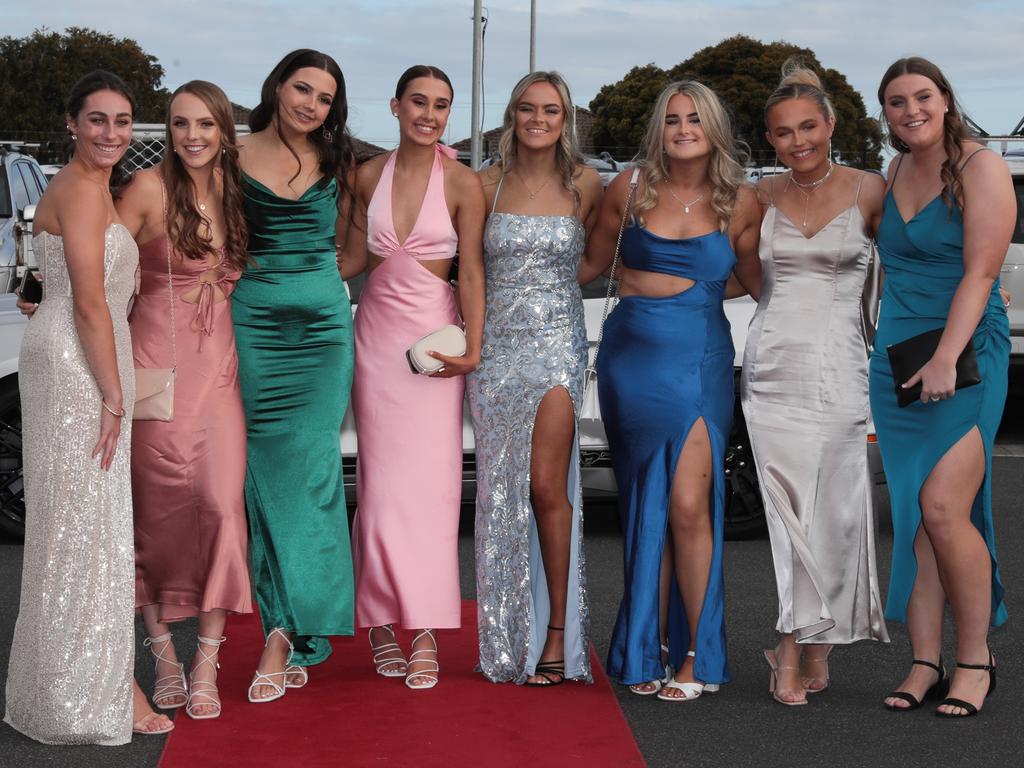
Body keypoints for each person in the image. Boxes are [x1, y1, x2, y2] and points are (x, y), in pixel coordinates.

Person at [4, 70, 173, 743]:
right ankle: (101, 689)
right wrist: (110, 394)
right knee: (85, 529)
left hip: (78, 355)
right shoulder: (76, 189)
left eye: (123, 120)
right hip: (80, 365)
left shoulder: (92, 187)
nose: (111, 133)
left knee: (78, 528)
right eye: (97, 119)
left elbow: (60, 281)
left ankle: (76, 681)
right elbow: (88, 302)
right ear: (71, 123)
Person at [582, 81, 760, 701]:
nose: (683, 128)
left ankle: (697, 654)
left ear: (713, 126)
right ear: (659, 127)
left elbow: (757, 280)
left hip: (698, 361)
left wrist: (694, 298)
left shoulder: (740, 200)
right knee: (643, 506)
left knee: (688, 505)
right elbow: (589, 265)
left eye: (695, 118)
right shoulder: (628, 186)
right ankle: (644, 648)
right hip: (630, 361)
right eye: (673, 119)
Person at [739, 61, 890, 707]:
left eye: (807, 127)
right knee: (785, 513)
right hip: (772, 369)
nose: (797, 141)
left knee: (833, 511)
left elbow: (903, 271)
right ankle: (794, 647)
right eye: (782, 133)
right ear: (769, 139)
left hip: (843, 369)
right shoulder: (758, 197)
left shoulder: (871, 189)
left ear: (831, 125)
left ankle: (809, 640)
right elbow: (740, 274)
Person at [871, 57, 1013, 717]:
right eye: (897, 103)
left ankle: (976, 661)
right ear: (886, 115)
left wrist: (947, 359)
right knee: (915, 519)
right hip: (897, 358)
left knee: (943, 510)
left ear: (946, 99)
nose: (912, 111)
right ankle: (924, 661)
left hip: (964, 357)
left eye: (922, 97)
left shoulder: (981, 166)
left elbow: (982, 273)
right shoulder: (893, 171)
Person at [343, 65, 485, 690]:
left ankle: (425, 629)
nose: (430, 114)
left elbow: (472, 271)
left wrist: (474, 348)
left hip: (435, 350)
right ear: (396, 106)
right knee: (376, 490)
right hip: (374, 344)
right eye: (419, 103)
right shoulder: (364, 176)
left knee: (431, 495)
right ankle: (377, 621)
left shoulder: (462, 182)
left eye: (442, 106)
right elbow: (347, 260)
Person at [115, 80, 252, 720]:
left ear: (225, 130)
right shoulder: (146, 191)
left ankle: (207, 661)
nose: (192, 137)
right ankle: (165, 653)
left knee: (223, 506)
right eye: (178, 125)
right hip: (154, 368)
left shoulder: (238, 193)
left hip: (219, 373)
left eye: (204, 125)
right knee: (157, 512)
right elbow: (100, 267)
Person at [468, 71, 603, 685]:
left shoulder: (586, 185)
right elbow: (463, 269)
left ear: (566, 118)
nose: (539, 119)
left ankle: (555, 634)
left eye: (552, 110)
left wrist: (547, 301)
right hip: (495, 353)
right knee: (498, 495)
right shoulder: (483, 185)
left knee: (547, 487)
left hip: (556, 350)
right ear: (512, 114)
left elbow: (596, 262)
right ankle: (504, 636)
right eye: (528, 108)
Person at [233, 49, 357, 703]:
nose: (310, 103)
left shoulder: (341, 161)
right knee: (265, 483)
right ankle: (284, 626)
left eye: (324, 97)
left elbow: (357, 244)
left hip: (323, 338)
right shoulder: (230, 154)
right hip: (252, 330)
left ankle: (287, 635)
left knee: (311, 478)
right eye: (301, 88)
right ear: (277, 86)